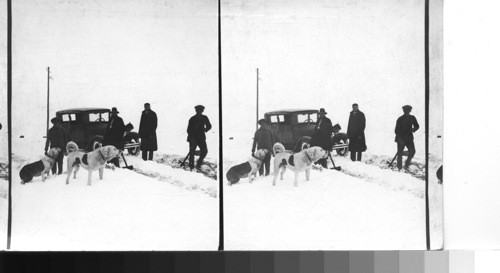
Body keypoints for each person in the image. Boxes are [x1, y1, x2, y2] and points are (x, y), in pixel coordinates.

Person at [394, 105, 420, 170]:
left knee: (412, 151)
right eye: (405, 110)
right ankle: (399, 168)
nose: (406, 111)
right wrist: (400, 140)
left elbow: (417, 126)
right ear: (403, 110)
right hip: (401, 138)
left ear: (410, 111)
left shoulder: (412, 118)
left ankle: (407, 163)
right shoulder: (400, 119)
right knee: (399, 154)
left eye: (408, 110)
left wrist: (413, 129)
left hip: (409, 138)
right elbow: (396, 130)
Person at [187, 105, 212, 170]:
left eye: (200, 110)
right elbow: (188, 129)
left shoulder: (204, 117)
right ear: (196, 110)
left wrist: (205, 129)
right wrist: (190, 138)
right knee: (192, 153)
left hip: (201, 138)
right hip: (193, 138)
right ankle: (191, 165)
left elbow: (209, 125)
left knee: (204, 151)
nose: (199, 111)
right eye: (198, 110)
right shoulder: (192, 118)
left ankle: (199, 162)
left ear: (202, 111)